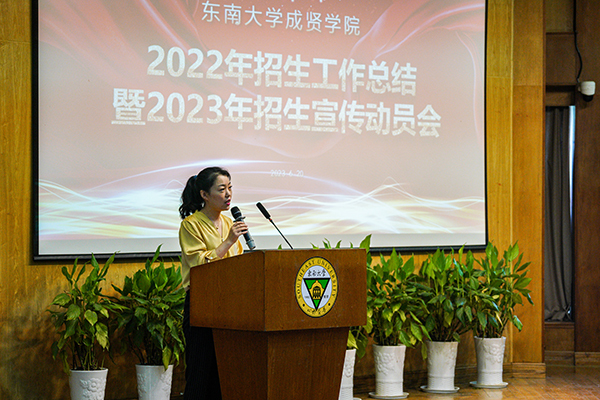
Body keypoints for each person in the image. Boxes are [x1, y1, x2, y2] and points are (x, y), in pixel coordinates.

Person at [178, 166, 248, 400]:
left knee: (224, 375)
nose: (228, 194)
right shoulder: (191, 225)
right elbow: (198, 264)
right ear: (204, 195)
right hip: (202, 304)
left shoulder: (229, 223)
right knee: (200, 373)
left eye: (230, 188)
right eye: (221, 189)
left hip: (230, 305)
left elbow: (237, 264)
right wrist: (228, 242)